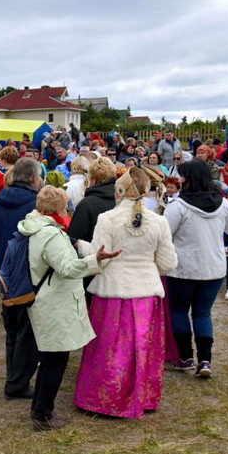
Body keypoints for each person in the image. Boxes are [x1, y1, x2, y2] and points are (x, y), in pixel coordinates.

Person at [73, 168, 178, 418]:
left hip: (113, 292)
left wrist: (81, 246)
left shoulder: (107, 219)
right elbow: (168, 263)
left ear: (119, 191)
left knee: (110, 349)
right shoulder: (159, 221)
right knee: (143, 348)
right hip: (146, 293)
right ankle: (143, 396)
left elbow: (101, 259)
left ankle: (106, 398)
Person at [18, 186, 120, 430]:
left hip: (47, 299)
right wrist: (96, 260)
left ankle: (40, 408)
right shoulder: (51, 234)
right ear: (58, 208)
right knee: (56, 358)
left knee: (51, 356)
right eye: (65, 207)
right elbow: (67, 267)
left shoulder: (34, 225)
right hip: (54, 302)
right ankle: (43, 414)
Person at [164, 160, 228, 377]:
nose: (179, 179)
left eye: (182, 175)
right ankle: (205, 361)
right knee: (202, 313)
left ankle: (186, 358)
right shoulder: (222, 203)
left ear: (190, 178)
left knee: (179, 311)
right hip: (213, 268)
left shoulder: (178, 206)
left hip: (184, 267)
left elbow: (164, 233)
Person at [0, 158, 41, 400]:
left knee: (12, 330)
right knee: (27, 330)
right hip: (29, 274)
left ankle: (13, 378)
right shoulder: (35, 203)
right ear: (34, 178)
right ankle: (17, 382)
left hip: (4, 272)